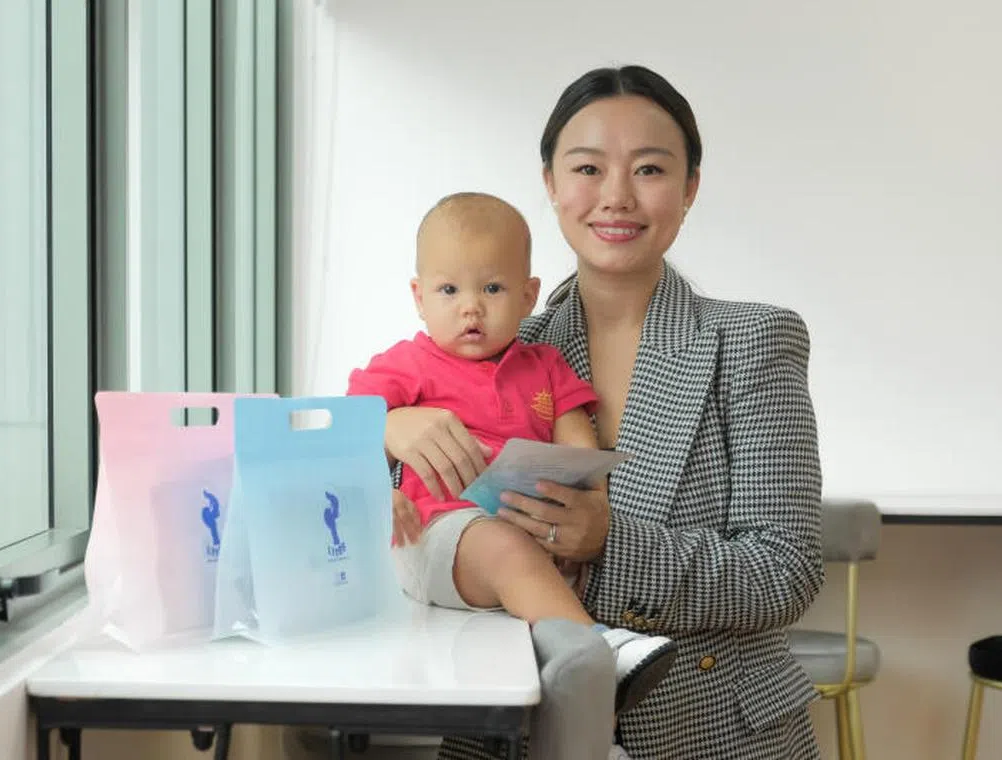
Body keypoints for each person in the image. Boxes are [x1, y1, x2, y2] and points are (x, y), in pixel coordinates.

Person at [384, 67, 825, 760]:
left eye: (649, 168)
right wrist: (385, 432)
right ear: (552, 185)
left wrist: (608, 543)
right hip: (518, 727)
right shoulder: (488, 347)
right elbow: (418, 531)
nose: (616, 196)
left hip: (707, 735)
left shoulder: (755, 340)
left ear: (690, 189)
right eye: (588, 168)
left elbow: (784, 572)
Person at [346, 192, 679, 719]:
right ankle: (598, 647)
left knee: (545, 653)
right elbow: (339, 430)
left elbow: (578, 442)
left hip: (525, 536)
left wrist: (589, 499)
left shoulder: (544, 364)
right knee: (504, 549)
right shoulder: (407, 364)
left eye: (493, 288)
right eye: (449, 289)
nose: (470, 307)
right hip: (436, 537)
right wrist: (378, 474)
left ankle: (601, 743)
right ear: (418, 296)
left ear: (528, 296)